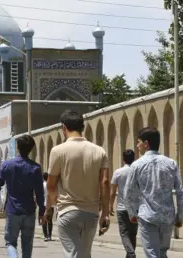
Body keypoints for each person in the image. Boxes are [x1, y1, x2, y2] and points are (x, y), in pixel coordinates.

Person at [46, 110, 109, 258]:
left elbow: (51, 184)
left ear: (63, 128)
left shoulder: (57, 151)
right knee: (85, 254)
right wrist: (104, 212)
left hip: (68, 211)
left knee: (73, 254)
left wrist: (57, 203)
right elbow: (105, 182)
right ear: (83, 127)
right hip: (91, 213)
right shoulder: (100, 151)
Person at [125, 127, 183, 258]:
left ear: (146, 144)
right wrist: (180, 215)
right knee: (162, 252)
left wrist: (131, 213)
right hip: (167, 216)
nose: (137, 145)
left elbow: (128, 192)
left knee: (152, 253)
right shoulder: (171, 163)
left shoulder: (137, 165)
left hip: (147, 216)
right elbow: (180, 191)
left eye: (139, 142)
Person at [0, 134, 45, 258]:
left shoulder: (7, 165)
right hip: (29, 211)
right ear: (31, 148)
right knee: (27, 244)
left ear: (17, 147)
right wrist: (42, 212)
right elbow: (39, 192)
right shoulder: (35, 168)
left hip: (12, 210)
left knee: (10, 242)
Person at [110, 149, 137, 258]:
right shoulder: (137, 171)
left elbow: (113, 192)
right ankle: (130, 254)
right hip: (135, 208)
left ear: (123, 159)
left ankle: (130, 253)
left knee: (124, 233)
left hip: (122, 208)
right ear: (134, 158)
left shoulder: (118, 172)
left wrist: (110, 205)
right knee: (133, 234)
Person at [42, 172, 53, 242]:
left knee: (44, 220)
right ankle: (50, 236)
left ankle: (45, 236)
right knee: (50, 221)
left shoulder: (42, 185)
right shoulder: (50, 185)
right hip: (51, 205)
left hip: (43, 204)